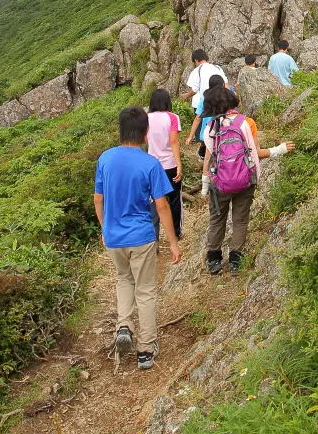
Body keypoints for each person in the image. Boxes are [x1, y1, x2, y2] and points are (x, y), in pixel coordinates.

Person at [94, 107, 182, 369]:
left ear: (120, 130)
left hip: (114, 237)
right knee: (145, 290)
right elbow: (162, 205)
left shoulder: (105, 159)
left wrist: (104, 227)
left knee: (124, 279)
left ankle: (124, 325)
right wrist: (173, 242)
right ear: (145, 133)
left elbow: (98, 199)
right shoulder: (150, 164)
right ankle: (145, 349)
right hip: (141, 236)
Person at [201, 86, 293, 275]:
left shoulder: (210, 129)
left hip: (220, 184)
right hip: (245, 181)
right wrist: (280, 149)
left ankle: (214, 260)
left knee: (217, 219)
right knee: (240, 220)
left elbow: (208, 160)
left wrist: (205, 185)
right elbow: (256, 153)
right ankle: (235, 261)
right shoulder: (245, 123)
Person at [146, 89, 183, 240]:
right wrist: (179, 164)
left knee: (154, 200)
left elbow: (146, 140)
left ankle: (153, 236)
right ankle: (175, 232)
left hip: (152, 165)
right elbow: (173, 141)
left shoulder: (146, 118)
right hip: (170, 164)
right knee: (174, 199)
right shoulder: (173, 117)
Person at [185, 49, 226, 113]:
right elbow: (225, 84)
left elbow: (195, 90)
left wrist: (186, 95)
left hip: (202, 104)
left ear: (196, 60)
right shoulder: (218, 68)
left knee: (201, 122)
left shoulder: (196, 71)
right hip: (219, 102)